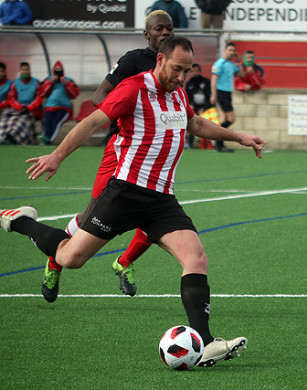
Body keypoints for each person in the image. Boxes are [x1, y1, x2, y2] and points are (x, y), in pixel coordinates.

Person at [1, 36, 264, 368]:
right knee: (70, 257)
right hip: (124, 194)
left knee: (196, 258)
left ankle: (206, 342)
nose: (182, 77)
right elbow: (93, 121)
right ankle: (19, 220)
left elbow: (194, 123)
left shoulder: (178, 94)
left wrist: (239, 136)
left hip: (161, 200)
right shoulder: (133, 89)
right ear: (160, 60)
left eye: (187, 70)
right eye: (177, 69)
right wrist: (57, 155)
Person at [37, 10, 174, 303]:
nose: (165, 32)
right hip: (122, 148)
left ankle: (124, 261)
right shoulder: (133, 62)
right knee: (91, 213)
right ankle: (54, 262)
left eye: (169, 28)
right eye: (159, 28)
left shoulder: (176, 66)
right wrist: (129, 113)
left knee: (160, 213)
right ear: (147, 34)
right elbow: (100, 97)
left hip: (156, 152)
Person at [211, 42, 243, 152]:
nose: (232, 52)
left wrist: (239, 63)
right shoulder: (220, 63)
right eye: (230, 50)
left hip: (228, 93)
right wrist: (214, 95)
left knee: (224, 120)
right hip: (221, 93)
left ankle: (220, 145)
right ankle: (217, 140)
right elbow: (214, 79)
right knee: (231, 119)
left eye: (233, 51)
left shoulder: (232, 64)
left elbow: (240, 74)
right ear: (224, 51)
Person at [0, 62, 42, 145]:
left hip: (30, 110)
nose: (25, 72)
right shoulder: (15, 83)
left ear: (29, 70)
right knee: (8, 120)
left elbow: (38, 98)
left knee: (22, 121)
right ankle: (4, 137)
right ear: (20, 70)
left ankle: (15, 138)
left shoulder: (36, 83)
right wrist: (19, 107)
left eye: (27, 70)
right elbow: (11, 98)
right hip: (17, 109)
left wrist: (29, 108)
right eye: (23, 70)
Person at [39, 61, 80, 145]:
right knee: (47, 121)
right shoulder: (48, 79)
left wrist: (66, 84)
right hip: (49, 107)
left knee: (56, 122)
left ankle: (49, 139)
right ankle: (45, 137)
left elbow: (74, 94)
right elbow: (42, 93)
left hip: (64, 108)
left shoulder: (69, 80)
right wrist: (50, 82)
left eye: (60, 69)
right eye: (56, 69)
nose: (58, 71)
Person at [184, 63, 211, 148]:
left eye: (196, 71)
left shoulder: (206, 82)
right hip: (194, 108)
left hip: (206, 108)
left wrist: (204, 108)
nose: (195, 73)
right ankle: (190, 143)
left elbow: (210, 96)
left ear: (200, 71)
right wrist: (190, 106)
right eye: (192, 71)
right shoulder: (188, 84)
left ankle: (208, 144)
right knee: (192, 123)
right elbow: (187, 97)